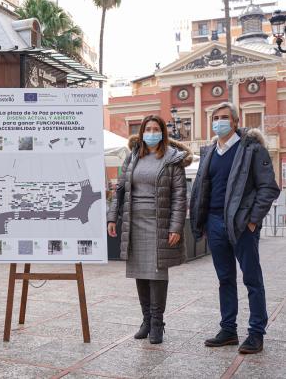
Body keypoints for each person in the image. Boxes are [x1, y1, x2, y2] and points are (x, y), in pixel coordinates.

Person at [190, 102, 279, 354]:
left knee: (252, 279)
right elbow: (202, 188)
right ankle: (228, 329)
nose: (219, 121)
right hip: (215, 222)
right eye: (215, 117)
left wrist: (252, 220)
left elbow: (269, 188)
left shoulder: (251, 149)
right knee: (225, 278)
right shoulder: (209, 152)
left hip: (241, 225)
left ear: (236, 122)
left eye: (224, 117)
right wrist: (203, 219)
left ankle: (256, 332)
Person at [107, 115, 192, 344]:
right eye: (148, 129)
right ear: (142, 132)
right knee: (139, 273)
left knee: (156, 273)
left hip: (159, 222)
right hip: (133, 222)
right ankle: (145, 320)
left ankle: (157, 323)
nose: (151, 132)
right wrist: (112, 217)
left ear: (163, 133)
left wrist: (176, 226)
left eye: (156, 129)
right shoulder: (133, 157)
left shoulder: (172, 160)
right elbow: (120, 190)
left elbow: (179, 196)